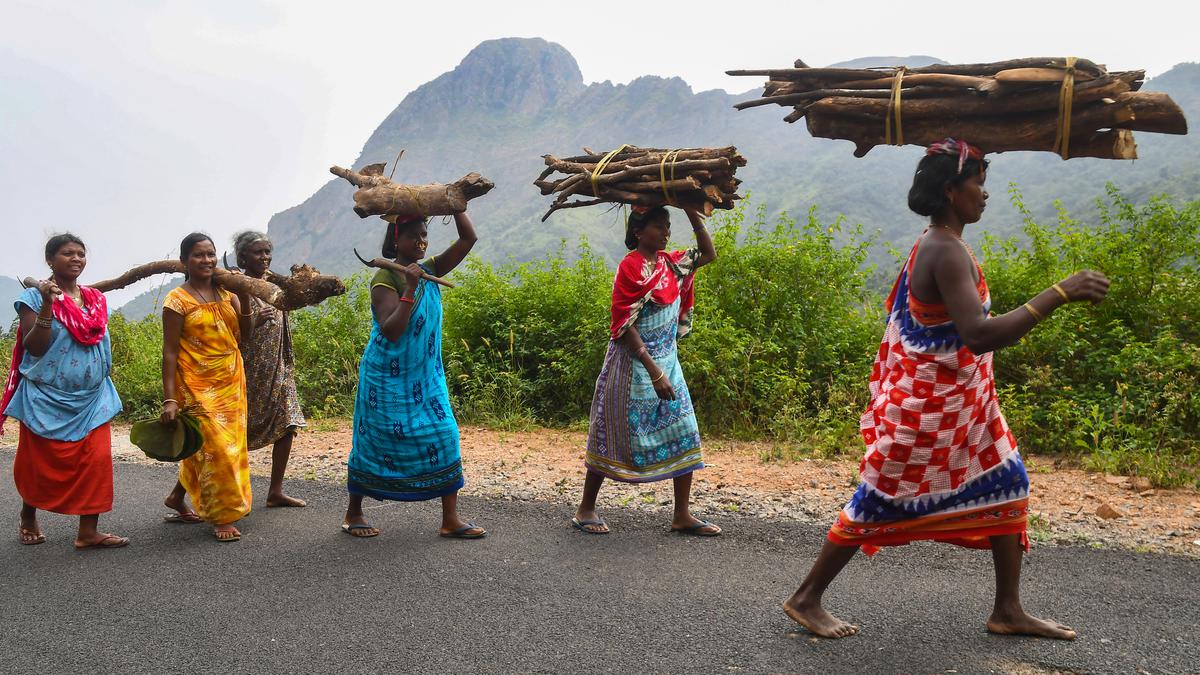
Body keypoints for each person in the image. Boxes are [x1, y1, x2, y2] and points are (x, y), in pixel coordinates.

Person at [782, 139, 1110, 640]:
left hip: (965, 406)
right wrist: (1058, 293)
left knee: (1009, 484)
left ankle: (1007, 610)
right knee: (881, 497)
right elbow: (978, 334)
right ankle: (806, 598)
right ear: (953, 190)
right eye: (978, 183)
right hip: (930, 408)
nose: (985, 194)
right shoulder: (943, 250)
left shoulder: (941, 243)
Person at [572, 204, 719, 536]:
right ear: (639, 232)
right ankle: (586, 508)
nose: (666, 232)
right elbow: (623, 325)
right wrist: (654, 372)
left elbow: (708, 253)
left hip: (668, 362)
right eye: (658, 226)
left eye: (668, 225)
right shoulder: (631, 268)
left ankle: (681, 514)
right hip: (633, 367)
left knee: (685, 430)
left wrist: (691, 211)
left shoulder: (670, 264)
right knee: (610, 433)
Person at [342, 212, 484, 539]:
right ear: (396, 240)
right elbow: (392, 330)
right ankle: (354, 512)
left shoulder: (432, 268)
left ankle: (450, 519)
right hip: (385, 379)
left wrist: (455, 205)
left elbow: (468, 240)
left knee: (445, 433)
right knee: (373, 440)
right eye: (413, 236)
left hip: (425, 376)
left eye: (425, 235)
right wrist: (409, 287)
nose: (421, 241)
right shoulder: (385, 277)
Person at [3, 234, 126, 549]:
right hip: (46, 397)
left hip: (93, 396)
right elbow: (36, 347)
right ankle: (28, 515)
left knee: (96, 460)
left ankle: (88, 532)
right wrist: (47, 304)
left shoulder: (95, 299)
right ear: (49, 260)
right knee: (39, 464)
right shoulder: (33, 298)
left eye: (81, 254)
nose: (76, 259)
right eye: (67, 253)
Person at [160, 232, 256, 542]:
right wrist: (170, 399)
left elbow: (245, 334)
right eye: (199, 255)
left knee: (214, 447)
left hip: (230, 379)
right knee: (217, 448)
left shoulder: (226, 291)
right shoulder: (177, 300)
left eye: (211, 254)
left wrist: (244, 294)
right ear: (184, 262)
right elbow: (170, 352)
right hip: (196, 384)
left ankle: (177, 497)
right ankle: (223, 516)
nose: (207, 260)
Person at [232, 231, 307, 508]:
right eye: (257, 252)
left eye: (267, 252)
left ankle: (275, 490)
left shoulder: (274, 283)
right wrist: (256, 321)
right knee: (229, 433)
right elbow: (234, 332)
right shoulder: (234, 286)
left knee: (288, 423)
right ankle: (183, 491)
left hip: (279, 366)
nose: (264, 257)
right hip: (249, 369)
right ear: (242, 257)